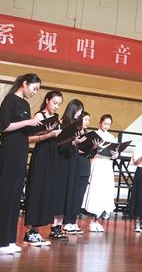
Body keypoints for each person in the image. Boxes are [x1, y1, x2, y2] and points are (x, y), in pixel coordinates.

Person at [0, 73, 42, 254]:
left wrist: (42, 128)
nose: (35, 92)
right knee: (5, 192)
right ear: (24, 84)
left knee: (15, 194)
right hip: (10, 149)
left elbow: (25, 131)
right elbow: (4, 127)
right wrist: (29, 121)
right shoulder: (10, 100)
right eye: (34, 88)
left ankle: (9, 239)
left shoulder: (25, 104)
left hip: (21, 150)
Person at [22, 90, 63, 246]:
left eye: (59, 104)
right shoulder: (39, 116)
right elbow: (29, 138)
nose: (56, 106)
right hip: (42, 154)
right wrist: (49, 134)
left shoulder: (56, 119)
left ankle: (36, 231)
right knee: (37, 190)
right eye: (54, 103)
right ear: (47, 100)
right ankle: (29, 232)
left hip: (53, 155)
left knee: (46, 192)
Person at [49, 98, 84, 240]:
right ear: (72, 109)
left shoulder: (77, 127)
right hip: (63, 162)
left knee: (68, 194)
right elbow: (59, 145)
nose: (79, 114)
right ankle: (54, 227)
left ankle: (60, 225)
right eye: (78, 111)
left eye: (81, 111)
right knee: (60, 193)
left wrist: (81, 142)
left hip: (73, 161)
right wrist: (73, 142)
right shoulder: (62, 124)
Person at [64, 111, 102, 234]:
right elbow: (71, 149)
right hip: (75, 165)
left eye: (88, 120)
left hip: (85, 166)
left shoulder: (87, 134)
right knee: (72, 194)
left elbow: (90, 154)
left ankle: (73, 221)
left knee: (80, 195)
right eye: (85, 119)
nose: (87, 122)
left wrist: (94, 147)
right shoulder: (74, 133)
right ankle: (67, 221)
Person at [82, 114, 118, 232]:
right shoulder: (95, 135)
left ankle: (99, 221)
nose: (106, 126)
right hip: (97, 163)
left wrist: (115, 153)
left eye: (109, 124)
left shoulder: (111, 137)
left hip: (106, 165)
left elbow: (115, 155)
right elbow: (88, 151)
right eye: (105, 123)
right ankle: (92, 220)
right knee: (95, 191)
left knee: (104, 192)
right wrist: (95, 147)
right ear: (100, 123)